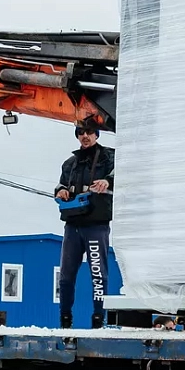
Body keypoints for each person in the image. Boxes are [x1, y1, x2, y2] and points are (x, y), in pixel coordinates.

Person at [55, 122, 114, 328]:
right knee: (66, 274)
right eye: (81, 133)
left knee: (98, 274)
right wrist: (60, 191)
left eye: (89, 132)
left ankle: (98, 319)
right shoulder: (69, 163)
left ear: (97, 134)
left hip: (96, 224)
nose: (85, 136)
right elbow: (60, 184)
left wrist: (107, 181)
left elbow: (123, 174)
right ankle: (65, 319)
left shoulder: (109, 157)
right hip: (72, 224)